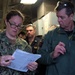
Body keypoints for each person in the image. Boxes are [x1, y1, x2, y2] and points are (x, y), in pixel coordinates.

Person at [37, 1, 75, 75]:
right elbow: (40, 57)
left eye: (62, 17)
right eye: (58, 17)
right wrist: (52, 55)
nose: (58, 20)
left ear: (71, 16)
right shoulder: (50, 35)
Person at [0, 10, 38, 75]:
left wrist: (32, 68)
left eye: (19, 25)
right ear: (6, 22)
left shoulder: (24, 45)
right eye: (13, 24)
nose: (16, 28)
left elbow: (28, 72)